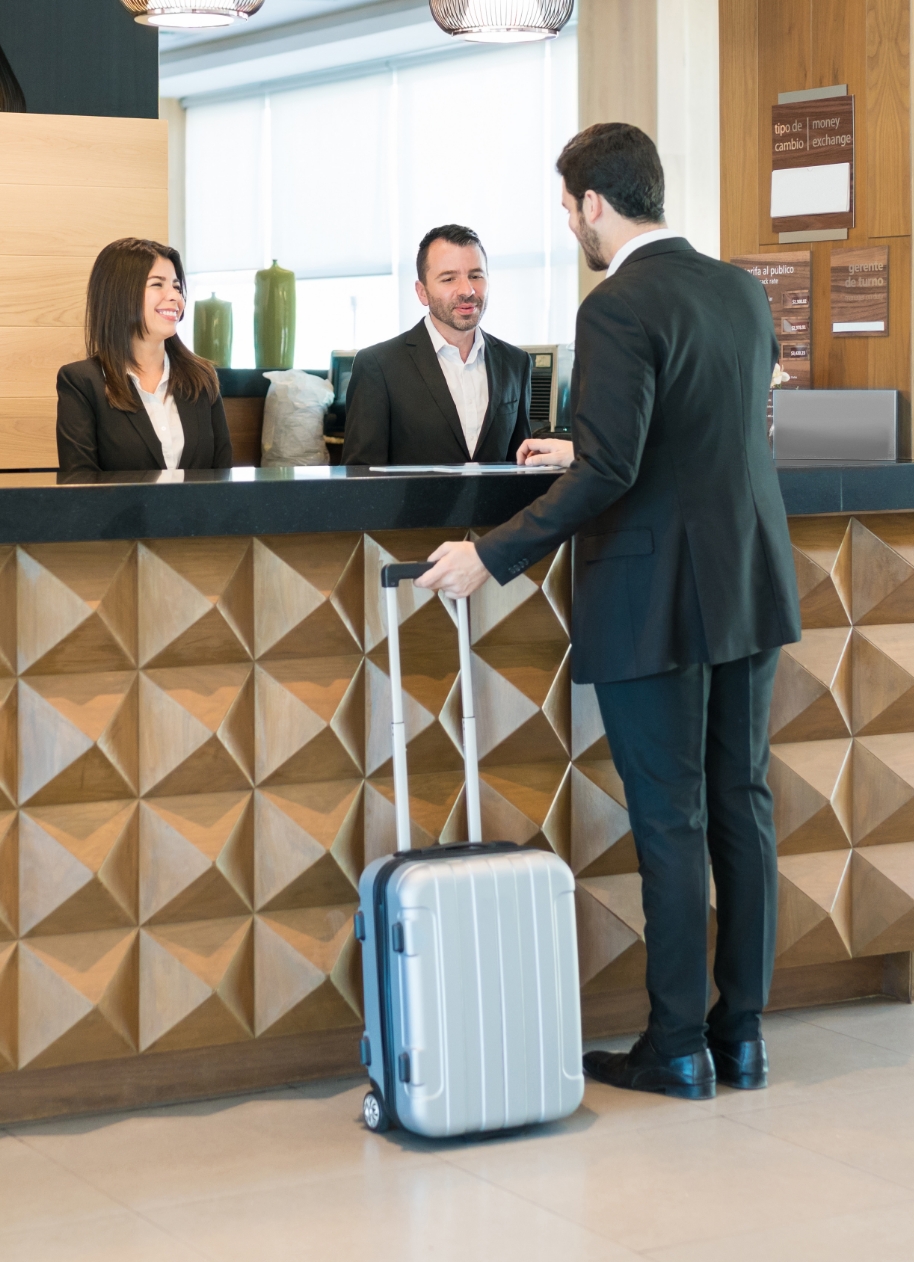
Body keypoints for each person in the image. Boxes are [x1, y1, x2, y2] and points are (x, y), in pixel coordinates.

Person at [415, 124, 801, 1100]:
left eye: (568, 207)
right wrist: (578, 454)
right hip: (746, 582)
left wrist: (489, 552)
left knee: (668, 823)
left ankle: (674, 1045)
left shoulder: (619, 302)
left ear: (593, 203)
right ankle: (739, 1035)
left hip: (654, 595)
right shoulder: (738, 290)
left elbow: (621, 469)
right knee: (740, 810)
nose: (571, 223)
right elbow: (699, 433)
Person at [342, 225, 531, 466]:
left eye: (475, 275)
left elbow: (520, 467)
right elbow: (361, 478)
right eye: (449, 278)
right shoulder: (378, 366)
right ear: (422, 292)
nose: (467, 290)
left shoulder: (516, 363)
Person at [57, 238, 233, 473]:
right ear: (120, 294)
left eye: (177, 286)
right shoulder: (81, 382)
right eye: (157, 284)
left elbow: (223, 477)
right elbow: (81, 487)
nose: (174, 297)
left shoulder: (202, 378)